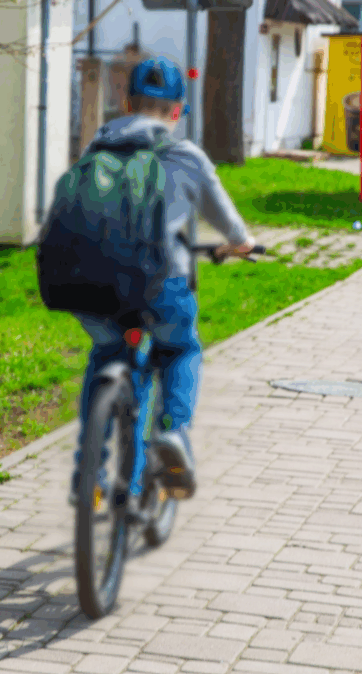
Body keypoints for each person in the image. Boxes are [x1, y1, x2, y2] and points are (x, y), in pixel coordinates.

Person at [67, 56, 256, 516]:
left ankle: (90, 475)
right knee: (180, 350)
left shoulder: (98, 146)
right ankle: (172, 431)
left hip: (95, 283)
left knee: (108, 355)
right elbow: (231, 227)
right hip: (162, 284)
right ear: (176, 111)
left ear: (126, 103)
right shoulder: (186, 156)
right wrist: (242, 244)